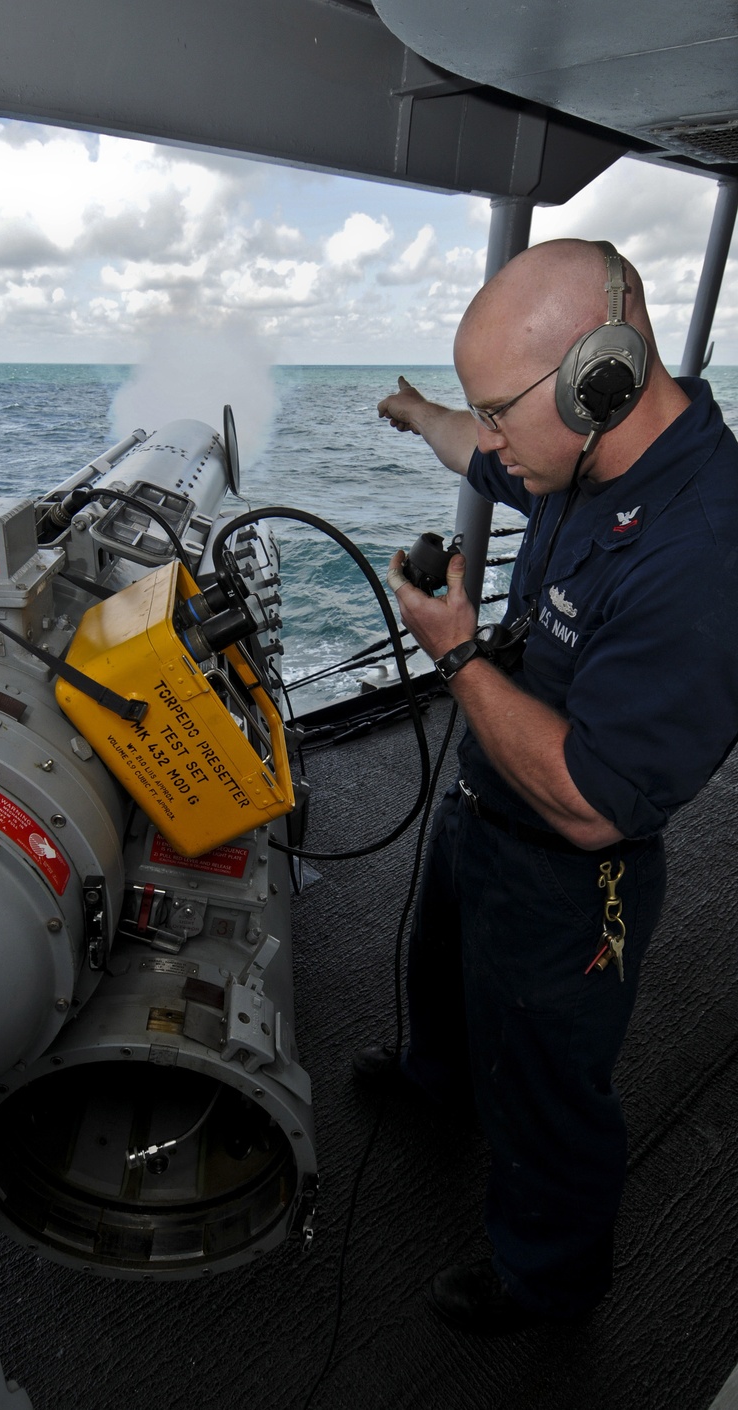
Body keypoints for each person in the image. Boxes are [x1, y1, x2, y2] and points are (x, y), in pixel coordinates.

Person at [358, 238, 738, 1333]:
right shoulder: (571, 455)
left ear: (597, 382)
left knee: (548, 1084)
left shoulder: (705, 552)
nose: (487, 442)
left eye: (496, 411)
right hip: (485, 807)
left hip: (574, 872)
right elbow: (462, 451)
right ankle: (439, 1083)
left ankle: (546, 1281)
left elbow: (595, 806)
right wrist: (418, 407)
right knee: (443, 969)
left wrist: (456, 654)